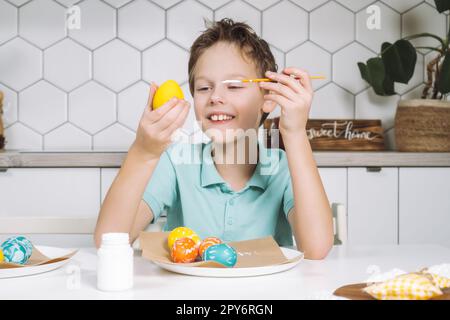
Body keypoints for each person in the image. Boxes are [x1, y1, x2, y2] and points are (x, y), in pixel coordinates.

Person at [94, 18, 333, 259]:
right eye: (204, 88)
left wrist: (295, 132)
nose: (215, 97)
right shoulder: (176, 163)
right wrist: (143, 152)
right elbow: (108, 241)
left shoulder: (283, 168)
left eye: (234, 86)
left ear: (268, 98)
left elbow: (316, 248)